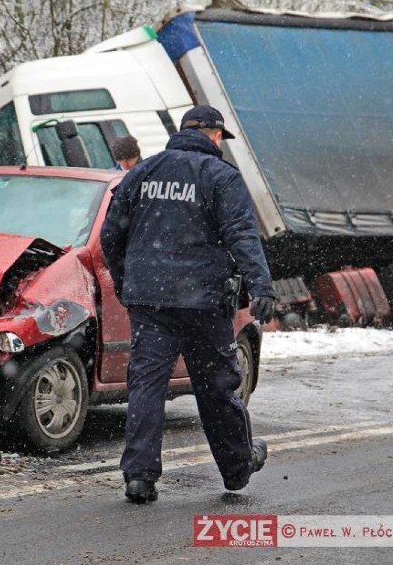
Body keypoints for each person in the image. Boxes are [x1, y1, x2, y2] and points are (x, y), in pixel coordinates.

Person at [100, 105, 276, 504]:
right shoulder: (221, 177)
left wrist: (127, 280)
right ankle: (236, 468)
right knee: (216, 386)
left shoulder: (142, 172)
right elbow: (242, 235)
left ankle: (140, 477)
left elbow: (111, 233)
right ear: (214, 135)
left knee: (146, 385)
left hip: (149, 298)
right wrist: (260, 286)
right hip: (202, 300)